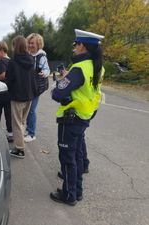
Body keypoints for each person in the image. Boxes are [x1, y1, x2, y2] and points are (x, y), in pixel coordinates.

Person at [50, 29, 105, 205]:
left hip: (70, 118)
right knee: (78, 156)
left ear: (82, 46)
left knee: (68, 158)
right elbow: (89, 91)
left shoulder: (79, 68)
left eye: (75, 44)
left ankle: (69, 195)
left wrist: (60, 85)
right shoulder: (97, 67)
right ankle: (77, 191)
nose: (74, 47)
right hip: (84, 116)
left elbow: (58, 93)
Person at [6, 35, 37, 159]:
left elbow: (9, 79)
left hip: (17, 97)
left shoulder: (13, 62)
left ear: (15, 46)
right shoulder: (31, 60)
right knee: (22, 121)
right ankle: (20, 143)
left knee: (17, 123)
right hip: (29, 97)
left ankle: (19, 149)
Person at [24, 33, 50, 143]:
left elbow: (47, 70)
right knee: (27, 109)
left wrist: (43, 73)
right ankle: (27, 130)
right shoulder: (27, 54)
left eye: (32, 43)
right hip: (27, 86)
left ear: (38, 44)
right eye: (29, 43)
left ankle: (31, 133)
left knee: (31, 110)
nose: (30, 45)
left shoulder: (41, 56)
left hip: (36, 87)